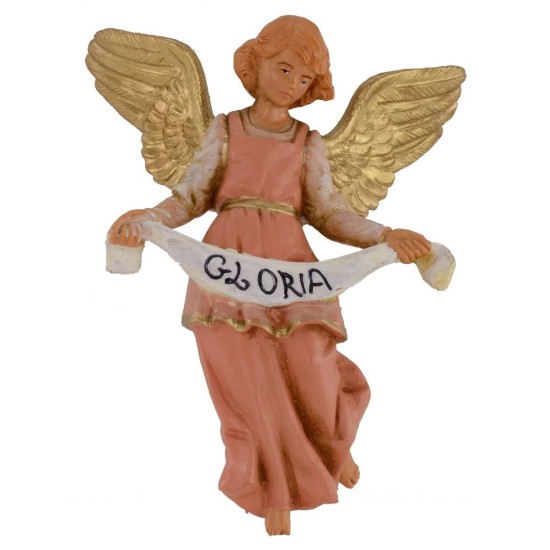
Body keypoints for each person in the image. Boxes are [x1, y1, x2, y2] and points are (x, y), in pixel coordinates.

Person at [107, 16, 431, 536]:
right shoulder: (224, 131)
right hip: (226, 265)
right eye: (284, 68)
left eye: (304, 78)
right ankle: (273, 488)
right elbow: (189, 197)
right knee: (245, 378)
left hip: (290, 266)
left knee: (312, 364)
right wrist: (146, 219)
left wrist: (385, 235)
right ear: (253, 64)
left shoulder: (307, 143)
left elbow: (330, 213)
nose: (292, 83)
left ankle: (329, 447)